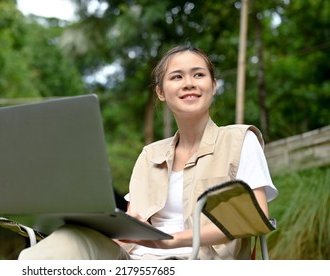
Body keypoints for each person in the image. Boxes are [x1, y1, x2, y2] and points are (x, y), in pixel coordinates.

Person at [18, 45, 278, 260]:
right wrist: (115, 225)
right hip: (135, 261)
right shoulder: (149, 155)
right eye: (176, 77)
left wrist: (168, 242)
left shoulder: (239, 140)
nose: (188, 83)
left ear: (213, 85)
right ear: (161, 92)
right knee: (64, 241)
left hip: (198, 262)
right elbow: (132, 224)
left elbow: (253, 219)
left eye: (198, 75)